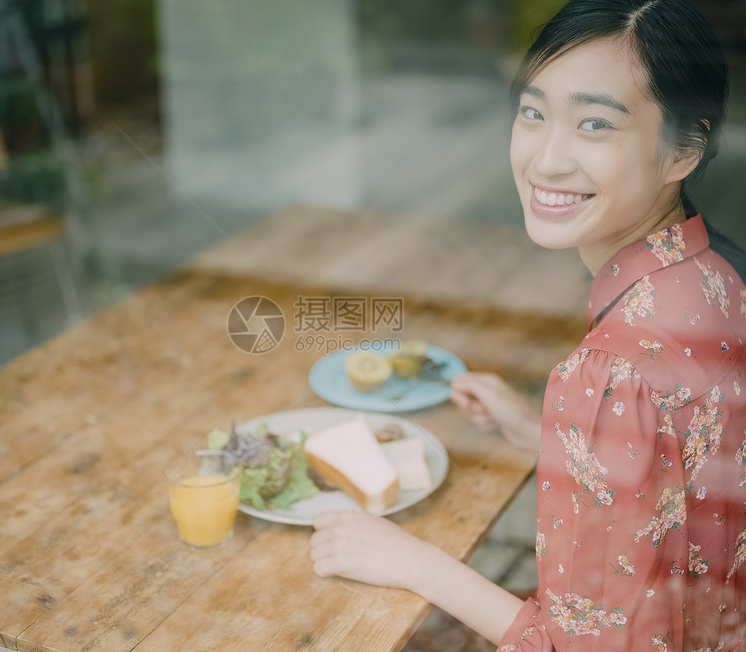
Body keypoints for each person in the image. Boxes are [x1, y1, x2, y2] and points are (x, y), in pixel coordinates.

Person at [309, 0, 746, 649]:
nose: (546, 160)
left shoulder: (612, 370)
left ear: (684, 148)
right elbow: (686, 493)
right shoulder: (716, 275)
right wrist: (556, 444)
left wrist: (413, 561)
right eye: (534, 113)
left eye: (595, 124)